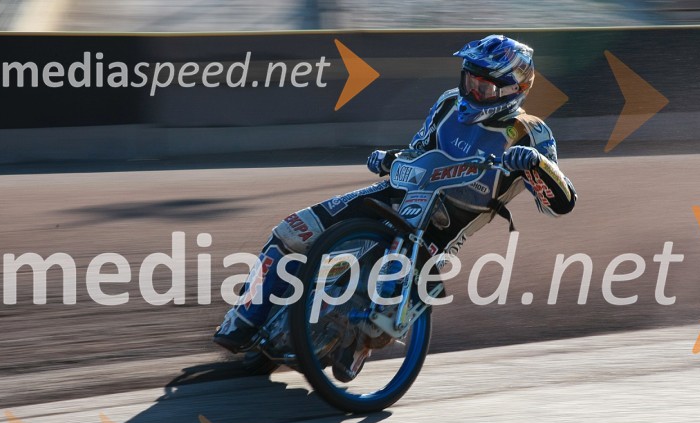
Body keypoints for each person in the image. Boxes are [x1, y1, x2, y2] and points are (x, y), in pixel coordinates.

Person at [213, 34, 577, 367]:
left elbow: (561, 205)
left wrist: (536, 165)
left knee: (370, 311)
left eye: (484, 85)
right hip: (396, 194)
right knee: (292, 229)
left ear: (515, 88)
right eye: (470, 79)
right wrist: (390, 157)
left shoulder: (532, 132)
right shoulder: (449, 103)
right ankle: (245, 315)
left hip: (440, 232)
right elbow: (417, 150)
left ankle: (355, 342)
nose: (472, 90)